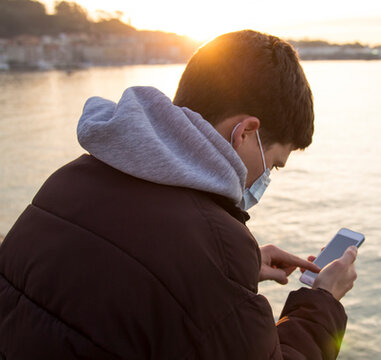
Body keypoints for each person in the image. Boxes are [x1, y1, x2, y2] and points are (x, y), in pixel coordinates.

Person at [0, 30, 357, 359]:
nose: (265, 177)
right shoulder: (216, 251)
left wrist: (239, 273)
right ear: (245, 132)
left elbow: (130, 281)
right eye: (273, 165)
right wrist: (321, 301)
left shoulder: (70, 179)